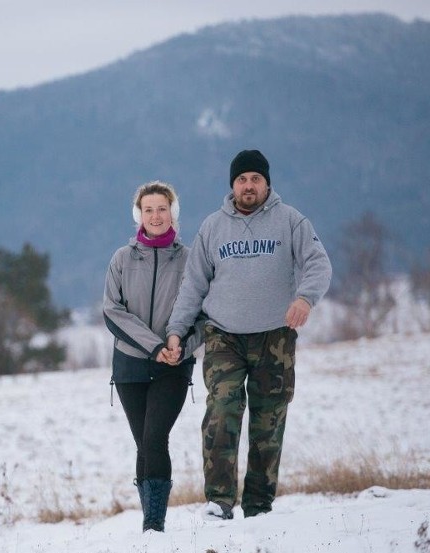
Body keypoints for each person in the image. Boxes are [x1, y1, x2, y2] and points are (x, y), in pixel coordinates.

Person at [165, 149, 332, 519]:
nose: (248, 185)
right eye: (242, 179)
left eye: (255, 178)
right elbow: (192, 287)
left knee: (267, 423)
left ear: (267, 183)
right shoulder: (213, 227)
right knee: (222, 412)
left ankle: (258, 506)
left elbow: (319, 264)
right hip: (224, 336)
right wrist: (176, 332)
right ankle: (219, 502)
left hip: (275, 337)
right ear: (232, 185)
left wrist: (305, 298)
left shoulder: (291, 221)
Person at [103, 181, 203, 532]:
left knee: (155, 438)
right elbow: (112, 312)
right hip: (131, 367)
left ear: (172, 212)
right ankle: (151, 522)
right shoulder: (121, 259)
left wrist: (181, 349)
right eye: (149, 209)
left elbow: (203, 315)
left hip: (173, 368)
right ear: (139, 215)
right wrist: (154, 347)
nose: (156, 215)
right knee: (143, 443)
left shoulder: (191, 259)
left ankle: (153, 524)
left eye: (162, 208)